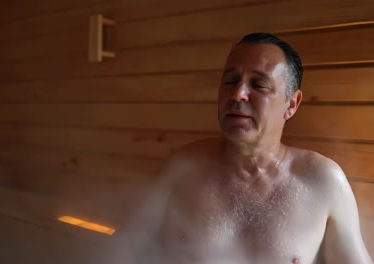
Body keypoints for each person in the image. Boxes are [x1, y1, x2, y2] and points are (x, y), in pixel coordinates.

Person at [105, 33, 373, 264]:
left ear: (292, 104)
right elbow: (122, 249)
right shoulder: (184, 167)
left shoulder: (322, 181)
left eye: (259, 85)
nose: (237, 94)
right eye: (231, 81)